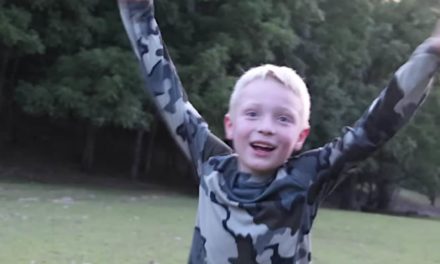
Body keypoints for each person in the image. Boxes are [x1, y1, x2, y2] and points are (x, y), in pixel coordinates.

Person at [118, 0, 440, 263]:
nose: (266, 127)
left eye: (284, 119)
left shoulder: (308, 177)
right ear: (230, 125)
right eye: (253, 114)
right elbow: (166, 90)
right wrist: (138, 12)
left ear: (301, 136)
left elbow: (373, 129)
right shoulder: (210, 161)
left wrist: (427, 58)